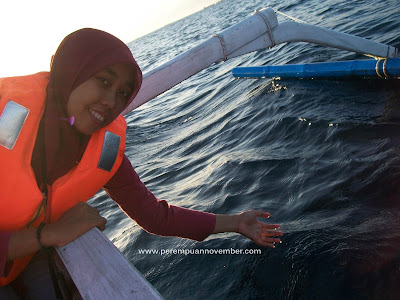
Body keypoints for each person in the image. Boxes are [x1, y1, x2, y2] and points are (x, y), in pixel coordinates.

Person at [0, 28, 283, 298]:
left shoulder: (105, 147)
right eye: (104, 81)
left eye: (123, 93)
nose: (112, 101)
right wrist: (47, 235)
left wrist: (235, 223)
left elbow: (154, 216)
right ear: (70, 71)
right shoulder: (5, 119)